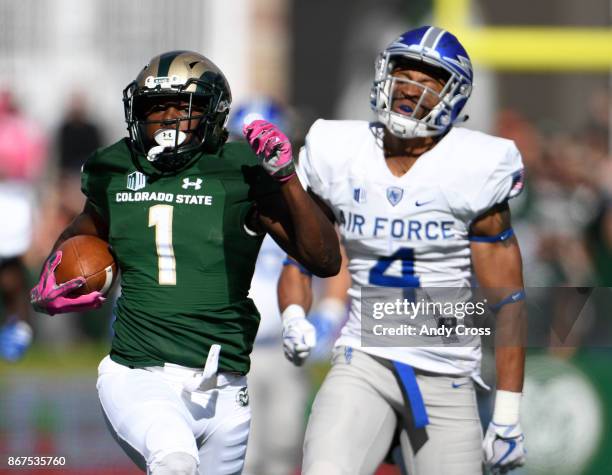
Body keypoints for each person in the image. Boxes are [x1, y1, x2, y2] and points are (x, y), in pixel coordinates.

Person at [30, 50, 340, 475]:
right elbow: (78, 236)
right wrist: (52, 280)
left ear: (212, 115)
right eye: (157, 106)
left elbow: (323, 259)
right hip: (140, 373)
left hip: (225, 386)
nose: (168, 117)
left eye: (183, 106)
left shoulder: (241, 171)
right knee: (174, 461)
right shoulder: (117, 167)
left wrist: (286, 178)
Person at [278, 26, 527, 474]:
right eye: (404, 72)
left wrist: (507, 414)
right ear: (383, 75)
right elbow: (305, 253)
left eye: (430, 79)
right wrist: (295, 315)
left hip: (447, 371)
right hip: (363, 359)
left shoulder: (477, 167)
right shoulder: (339, 151)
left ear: (454, 95)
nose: (412, 87)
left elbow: (507, 300)